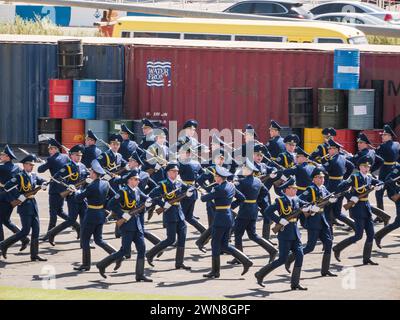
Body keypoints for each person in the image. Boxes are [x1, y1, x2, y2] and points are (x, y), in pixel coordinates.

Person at [96, 169, 152, 282]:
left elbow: (146, 198)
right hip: (127, 225)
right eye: (136, 179)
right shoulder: (123, 192)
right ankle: (102, 264)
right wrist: (122, 214)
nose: (138, 181)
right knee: (125, 251)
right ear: (130, 180)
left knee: (142, 249)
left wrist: (151, 201)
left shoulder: (137, 190)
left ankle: (139, 275)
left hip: (137, 224)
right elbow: (111, 204)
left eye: (138, 179)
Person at [255, 177, 309, 290]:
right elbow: (267, 211)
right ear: (287, 189)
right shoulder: (280, 201)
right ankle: (260, 274)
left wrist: (311, 207)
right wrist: (279, 220)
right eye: (293, 188)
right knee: (282, 259)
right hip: (285, 233)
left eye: (295, 188)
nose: (295, 190)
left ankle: (295, 283)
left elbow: (306, 204)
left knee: (300, 255)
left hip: (295, 232)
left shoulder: (297, 199)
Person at [200, 165, 253, 279]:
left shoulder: (220, 189)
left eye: (216, 176)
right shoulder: (231, 185)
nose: (215, 177)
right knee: (224, 245)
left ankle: (215, 271)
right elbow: (242, 198)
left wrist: (203, 192)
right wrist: (230, 207)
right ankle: (245, 260)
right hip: (228, 217)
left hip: (220, 218)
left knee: (215, 244)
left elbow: (204, 199)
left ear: (220, 177)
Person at [285, 168, 337, 277]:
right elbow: (298, 200)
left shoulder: (323, 188)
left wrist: (332, 200)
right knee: (310, 247)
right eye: (319, 177)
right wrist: (310, 208)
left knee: (328, 243)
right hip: (313, 220)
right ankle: (290, 258)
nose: (322, 179)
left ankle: (325, 270)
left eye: (322, 177)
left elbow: (327, 199)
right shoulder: (310, 189)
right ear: (313, 179)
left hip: (322, 220)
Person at [333, 156, 383, 265]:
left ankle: (366, 258)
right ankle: (337, 248)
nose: (366, 168)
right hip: (357, 208)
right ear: (359, 167)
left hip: (366, 207)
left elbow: (379, 182)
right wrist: (351, 197)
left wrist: (379, 184)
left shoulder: (369, 177)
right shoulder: (354, 177)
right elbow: (341, 187)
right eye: (364, 166)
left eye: (368, 167)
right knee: (358, 235)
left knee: (371, 234)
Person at [228, 159, 277, 265]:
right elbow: (264, 192)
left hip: (245, 210)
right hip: (254, 209)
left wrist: (232, 205)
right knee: (253, 235)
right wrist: (256, 201)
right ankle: (272, 250)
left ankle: (239, 257)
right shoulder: (258, 181)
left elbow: (236, 194)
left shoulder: (241, 182)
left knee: (238, 234)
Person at [145, 162, 194, 270]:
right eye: (173, 171)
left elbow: (189, 189)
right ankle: (150, 254)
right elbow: (152, 196)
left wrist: (191, 190)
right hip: (170, 214)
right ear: (168, 172)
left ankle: (179, 263)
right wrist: (163, 204)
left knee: (182, 238)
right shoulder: (163, 184)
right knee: (170, 239)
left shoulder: (179, 183)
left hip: (179, 213)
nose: (175, 173)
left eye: (177, 171)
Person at [0, 153, 48, 261]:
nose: (31, 167)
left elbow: (42, 181)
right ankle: (4, 244)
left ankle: (34, 254)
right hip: (24, 206)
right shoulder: (19, 176)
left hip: (33, 204)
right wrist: (18, 195)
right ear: (24, 165)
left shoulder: (34, 175)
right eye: (30, 165)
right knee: (25, 231)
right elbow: (7, 186)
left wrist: (44, 184)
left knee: (36, 230)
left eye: (32, 165)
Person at [73, 160, 118, 271]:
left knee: (85, 239)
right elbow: (114, 196)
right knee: (99, 240)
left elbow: (78, 198)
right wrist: (106, 205)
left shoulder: (91, 186)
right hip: (101, 214)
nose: (90, 173)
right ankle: (116, 255)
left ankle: (86, 265)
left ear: (94, 173)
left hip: (91, 215)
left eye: (91, 171)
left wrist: (76, 191)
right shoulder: (106, 183)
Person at [44, 144, 89, 246]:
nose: (78, 157)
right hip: (72, 196)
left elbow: (86, 179)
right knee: (71, 220)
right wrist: (67, 186)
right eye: (76, 155)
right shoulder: (67, 167)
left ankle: (84, 242)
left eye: (80, 155)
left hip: (82, 196)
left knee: (84, 219)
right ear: (71, 156)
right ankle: (52, 233)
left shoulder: (82, 166)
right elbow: (56, 178)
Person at [37, 138, 70, 238]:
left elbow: (40, 170)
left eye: (51, 149)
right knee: (59, 211)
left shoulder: (51, 159)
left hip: (55, 189)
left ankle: (49, 234)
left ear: (55, 149)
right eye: (49, 149)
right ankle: (75, 224)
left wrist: (44, 163)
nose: (49, 151)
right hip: (64, 187)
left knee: (53, 213)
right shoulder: (65, 157)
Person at [0, 145, 29, 251]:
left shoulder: (2, 168)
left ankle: (1, 244)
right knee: (6, 221)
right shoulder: (17, 167)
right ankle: (24, 238)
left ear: (8, 157)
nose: (1, 156)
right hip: (12, 199)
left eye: (2, 154)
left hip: (3, 198)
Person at [323, 139, 355, 231]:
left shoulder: (332, 160)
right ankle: (355, 225)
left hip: (333, 186)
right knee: (337, 212)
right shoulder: (342, 157)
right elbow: (351, 166)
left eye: (330, 149)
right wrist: (344, 177)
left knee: (327, 210)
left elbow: (325, 168)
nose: (328, 150)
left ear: (336, 149)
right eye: (328, 149)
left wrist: (323, 160)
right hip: (341, 184)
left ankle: (329, 233)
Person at [178, 145, 206, 234]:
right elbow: (203, 174)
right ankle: (205, 232)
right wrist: (197, 183)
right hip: (193, 191)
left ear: (188, 154)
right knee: (189, 217)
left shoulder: (182, 164)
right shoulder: (196, 163)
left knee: (181, 216)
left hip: (185, 192)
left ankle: (179, 238)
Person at [252, 144, 278, 241]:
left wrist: (273, 172)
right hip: (253, 195)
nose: (259, 157)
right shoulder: (249, 165)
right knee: (248, 218)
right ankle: (229, 235)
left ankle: (266, 239)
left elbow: (273, 168)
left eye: (261, 156)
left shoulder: (263, 166)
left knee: (267, 215)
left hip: (263, 195)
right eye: (257, 155)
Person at [375, 124, 400, 214]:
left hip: (384, 171)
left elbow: (374, 158)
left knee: (379, 194)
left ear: (390, 136)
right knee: (392, 194)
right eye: (382, 135)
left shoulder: (382, 146)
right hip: (394, 171)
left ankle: (381, 215)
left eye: (384, 135)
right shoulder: (397, 144)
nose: (382, 136)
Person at [375, 163, 400, 248]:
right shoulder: (398, 167)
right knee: (398, 222)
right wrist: (397, 192)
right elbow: (388, 180)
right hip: (398, 196)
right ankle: (378, 235)